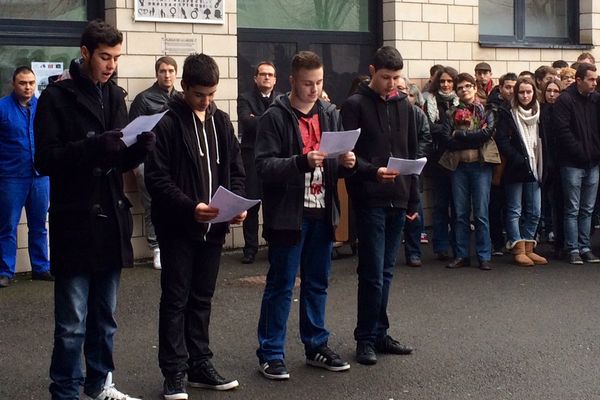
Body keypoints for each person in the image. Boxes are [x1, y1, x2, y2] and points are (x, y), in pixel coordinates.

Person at [34, 20, 153, 400]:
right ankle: (65, 390)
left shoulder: (115, 96)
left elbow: (117, 156)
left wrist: (138, 149)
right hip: (75, 216)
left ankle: (101, 384)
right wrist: (94, 146)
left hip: (110, 218)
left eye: (116, 58)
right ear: (85, 53)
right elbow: (45, 159)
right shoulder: (56, 97)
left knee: (106, 318)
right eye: (105, 57)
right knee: (72, 322)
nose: (111, 65)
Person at [145, 53, 245, 399]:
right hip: (178, 228)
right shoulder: (167, 124)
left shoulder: (221, 121)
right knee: (176, 299)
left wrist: (237, 204)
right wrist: (191, 207)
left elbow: (235, 168)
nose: (207, 101)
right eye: (200, 94)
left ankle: (200, 362)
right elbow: (157, 180)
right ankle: (174, 371)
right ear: (184, 87)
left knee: (202, 298)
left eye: (212, 94)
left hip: (214, 229)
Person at [254, 50, 355, 380]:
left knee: (317, 283)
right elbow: (263, 166)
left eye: (320, 82)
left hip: (323, 211)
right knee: (281, 285)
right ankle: (271, 352)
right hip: (288, 214)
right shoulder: (274, 117)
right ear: (292, 81)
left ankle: (316, 345)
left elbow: (333, 161)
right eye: (308, 83)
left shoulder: (329, 112)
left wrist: (345, 164)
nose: (314, 89)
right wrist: (300, 161)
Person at [341, 46, 417, 366]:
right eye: (386, 77)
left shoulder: (406, 106)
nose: (392, 84)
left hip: (398, 197)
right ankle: (365, 337)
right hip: (369, 196)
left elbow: (412, 152)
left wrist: (413, 199)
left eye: (396, 78)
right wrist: (373, 172)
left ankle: (380, 332)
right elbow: (347, 158)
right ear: (372, 70)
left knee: (386, 272)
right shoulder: (355, 105)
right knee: (371, 272)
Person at [439, 72, 500, 271]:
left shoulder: (487, 110)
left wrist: (460, 134)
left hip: (481, 167)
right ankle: (462, 254)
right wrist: (468, 136)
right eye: (460, 88)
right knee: (460, 214)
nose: (464, 90)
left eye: (467, 86)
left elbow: (486, 134)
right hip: (459, 168)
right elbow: (447, 139)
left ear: (474, 87)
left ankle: (484, 255)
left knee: (481, 213)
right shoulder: (450, 113)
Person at [0, 66, 52, 288]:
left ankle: (40, 268)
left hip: (40, 176)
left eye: (31, 82)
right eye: (23, 83)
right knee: (7, 226)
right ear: (14, 84)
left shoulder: (43, 108)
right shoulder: (2, 108)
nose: (28, 87)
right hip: (11, 176)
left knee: (39, 225)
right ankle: (5, 271)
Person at [129, 56, 179, 269]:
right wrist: (133, 164)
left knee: (174, 202)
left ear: (176, 73)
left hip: (173, 160)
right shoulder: (144, 99)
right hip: (148, 161)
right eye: (162, 71)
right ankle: (156, 248)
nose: (166, 75)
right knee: (152, 204)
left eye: (170, 71)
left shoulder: (182, 98)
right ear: (157, 73)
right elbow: (131, 132)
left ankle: (173, 245)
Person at [495, 76, 547, 266]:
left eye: (528, 92)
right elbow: (501, 140)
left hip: (536, 166)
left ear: (534, 93)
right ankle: (518, 248)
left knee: (535, 210)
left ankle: (528, 247)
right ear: (516, 94)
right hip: (515, 168)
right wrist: (518, 158)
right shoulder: (507, 112)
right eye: (521, 92)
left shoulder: (541, 112)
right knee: (514, 209)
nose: (525, 96)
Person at [553, 63, 600, 264]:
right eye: (590, 79)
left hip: (593, 163)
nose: (594, 83)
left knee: (587, 209)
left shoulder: (596, 100)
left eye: (595, 79)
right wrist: (581, 153)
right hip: (572, 163)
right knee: (572, 208)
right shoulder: (565, 100)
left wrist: (596, 152)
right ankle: (572, 249)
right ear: (579, 80)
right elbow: (563, 131)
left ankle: (585, 246)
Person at [237, 61, 280, 264]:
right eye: (263, 74)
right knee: (252, 203)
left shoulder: (281, 99)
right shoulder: (245, 98)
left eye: (270, 75)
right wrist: (270, 120)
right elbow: (247, 122)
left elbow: (281, 124)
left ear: (275, 79)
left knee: (273, 202)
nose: (267, 77)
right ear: (255, 78)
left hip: (274, 157)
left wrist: (259, 118)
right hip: (251, 157)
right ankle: (250, 248)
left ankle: (272, 243)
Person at [423, 66, 459, 261]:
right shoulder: (430, 101)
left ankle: (458, 246)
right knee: (440, 205)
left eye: (449, 81)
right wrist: (448, 130)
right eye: (442, 81)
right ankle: (441, 247)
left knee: (458, 206)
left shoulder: (460, 101)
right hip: (437, 159)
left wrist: (444, 131)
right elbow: (428, 127)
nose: (445, 85)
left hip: (456, 159)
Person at [397, 77, 432, 267]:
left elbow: (426, 138)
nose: (402, 94)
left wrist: (414, 159)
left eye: (405, 90)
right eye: (399, 89)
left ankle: (414, 252)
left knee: (415, 213)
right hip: (391, 169)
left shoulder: (418, 114)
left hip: (412, 170)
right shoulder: (387, 111)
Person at [486, 72, 518, 256]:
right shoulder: (493, 108)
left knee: (513, 204)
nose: (511, 91)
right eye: (507, 87)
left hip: (514, 162)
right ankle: (496, 241)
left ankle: (513, 239)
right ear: (500, 88)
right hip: (498, 160)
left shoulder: (520, 106)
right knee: (495, 203)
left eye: (514, 87)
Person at [540, 78, 564, 259]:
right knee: (540, 204)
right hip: (543, 162)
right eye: (549, 91)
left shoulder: (563, 111)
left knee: (560, 204)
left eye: (556, 91)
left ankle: (560, 242)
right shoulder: (539, 111)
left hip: (560, 163)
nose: (552, 94)